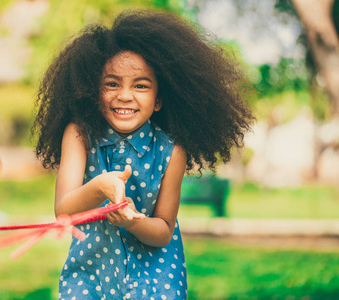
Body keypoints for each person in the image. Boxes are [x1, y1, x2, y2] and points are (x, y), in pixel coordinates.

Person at [32, 9, 254, 300]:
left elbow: (163, 229)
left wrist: (131, 221)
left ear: (159, 99)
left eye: (140, 85)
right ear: (93, 91)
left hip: (155, 279)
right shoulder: (79, 134)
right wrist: (99, 187)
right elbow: (64, 211)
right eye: (112, 84)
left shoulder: (172, 150)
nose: (125, 95)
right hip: (91, 274)